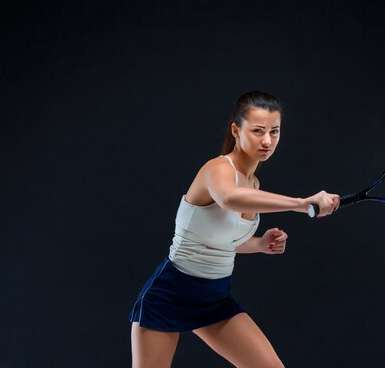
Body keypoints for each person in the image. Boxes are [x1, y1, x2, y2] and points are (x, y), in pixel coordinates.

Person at [128, 91, 340, 368]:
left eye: (274, 132)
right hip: (170, 294)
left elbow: (222, 240)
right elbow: (228, 198)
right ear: (236, 130)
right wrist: (301, 204)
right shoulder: (217, 169)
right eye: (258, 131)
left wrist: (259, 244)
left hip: (214, 299)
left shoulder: (254, 185)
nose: (267, 140)